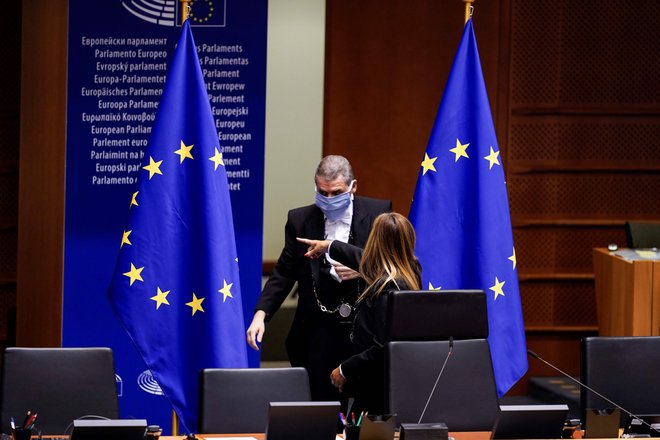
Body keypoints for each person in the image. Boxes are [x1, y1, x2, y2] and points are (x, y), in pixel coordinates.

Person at [246, 155, 391, 402]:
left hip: (362, 329)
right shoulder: (299, 220)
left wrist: (363, 269)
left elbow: (392, 266)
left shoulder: (379, 212)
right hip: (316, 332)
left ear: (353, 187)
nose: (329, 199)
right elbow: (283, 272)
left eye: (337, 193)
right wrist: (260, 314)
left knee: (361, 408)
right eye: (323, 193)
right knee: (319, 406)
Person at [298, 212, 422, 414]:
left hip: (376, 390)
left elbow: (383, 347)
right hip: (396, 383)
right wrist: (329, 245)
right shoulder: (411, 271)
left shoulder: (387, 288)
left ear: (374, 242)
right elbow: (366, 259)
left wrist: (345, 369)